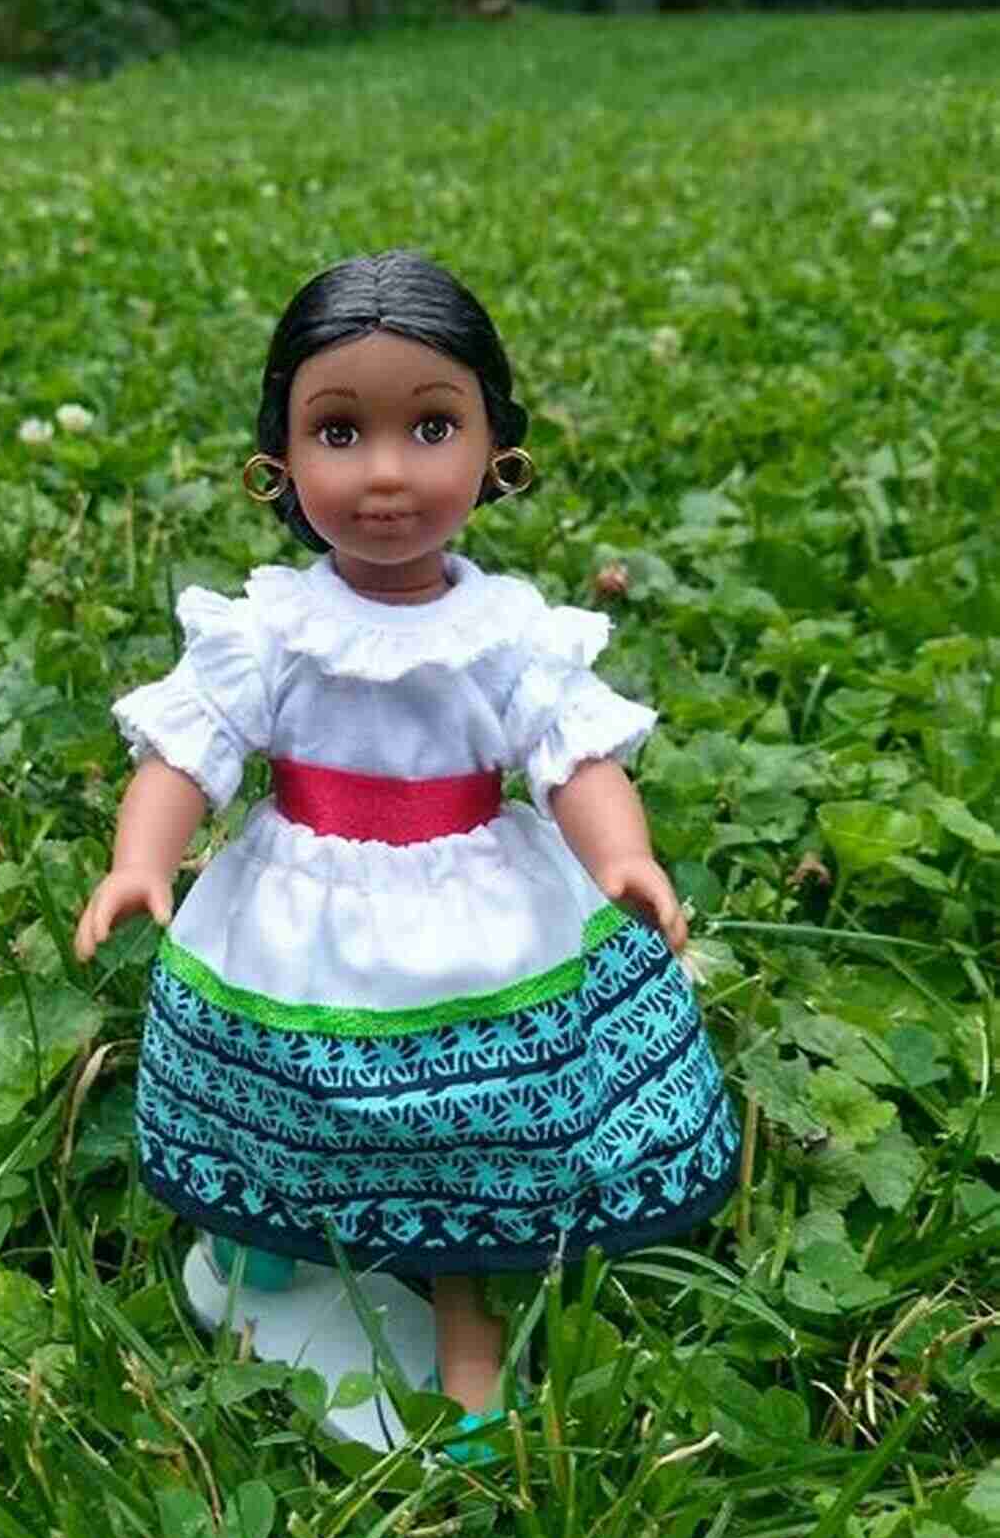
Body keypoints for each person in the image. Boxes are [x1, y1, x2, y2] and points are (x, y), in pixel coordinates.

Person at [74, 249, 740, 1433]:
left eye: (430, 426)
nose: (385, 473)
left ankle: (466, 1334)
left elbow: (572, 755)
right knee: (277, 1091)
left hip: (475, 910)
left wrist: (619, 855)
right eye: (340, 433)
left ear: (495, 450)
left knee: (468, 1133)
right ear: (277, 458)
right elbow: (190, 747)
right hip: (299, 901)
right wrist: (142, 857)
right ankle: (264, 1242)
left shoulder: (506, 631)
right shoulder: (271, 626)